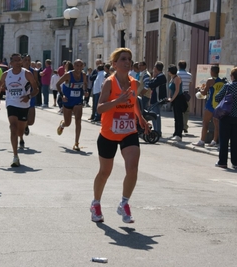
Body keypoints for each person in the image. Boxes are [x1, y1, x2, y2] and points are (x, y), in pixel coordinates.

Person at [90, 48, 150, 223]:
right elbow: (100, 108)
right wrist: (117, 101)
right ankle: (96, 204)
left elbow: (136, 102)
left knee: (132, 168)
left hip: (128, 132)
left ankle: (124, 203)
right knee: (104, 172)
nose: (127, 62)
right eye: (123, 59)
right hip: (109, 133)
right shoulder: (109, 83)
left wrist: (141, 118)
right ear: (114, 64)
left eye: (129, 59)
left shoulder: (134, 83)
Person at [0, 53, 38, 167]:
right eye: (15, 60)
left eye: (19, 60)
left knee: (20, 131)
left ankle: (24, 129)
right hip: (11, 103)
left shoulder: (27, 74)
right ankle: (15, 156)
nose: (18, 62)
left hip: (24, 105)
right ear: (11, 63)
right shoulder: (6, 75)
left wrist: (28, 97)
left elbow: (36, 89)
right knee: (13, 127)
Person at [214, 67, 237, 169]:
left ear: (232, 76)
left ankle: (222, 161)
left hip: (226, 116)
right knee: (236, 139)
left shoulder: (228, 86)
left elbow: (217, 97)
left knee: (224, 139)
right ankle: (236, 163)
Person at [56, 59, 87, 151]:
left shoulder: (84, 75)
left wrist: (85, 91)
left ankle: (76, 143)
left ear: (82, 66)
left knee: (78, 120)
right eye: (77, 65)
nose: (79, 68)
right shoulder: (68, 75)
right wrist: (62, 96)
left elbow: (84, 84)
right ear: (74, 66)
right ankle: (62, 125)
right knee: (68, 123)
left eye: (80, 65)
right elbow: (58, 84)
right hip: (68, 100)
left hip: (78, 100)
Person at [192, 65, 225, 147]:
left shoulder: (210, 80)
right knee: (216, 124)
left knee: (205, 123)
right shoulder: (221, 81)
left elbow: (204, 93)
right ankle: (214, 141)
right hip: (218, 104)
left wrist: (200, 90)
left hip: (210, 104)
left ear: (212, 72)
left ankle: (202, 141)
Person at [146, 61, 167, 136]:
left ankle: (157, 131)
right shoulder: (158, 77)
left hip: (157, 99)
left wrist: (153, 77)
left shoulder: (161, 77)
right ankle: (156, 130)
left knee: (156, 116)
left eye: (154, 67)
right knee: (154, 115)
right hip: (154, 98)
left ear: (157, 68)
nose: (153, 68)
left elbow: (151, 85)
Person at [21, 54, 40, 137]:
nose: (27, 62)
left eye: (29, 60)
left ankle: (26, 125)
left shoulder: (33, 71)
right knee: (21, 118)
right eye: (25, 60)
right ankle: (22, 132)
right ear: (22, 61)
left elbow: (36, 83)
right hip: (20, 97)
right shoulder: (18, 71)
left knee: (31, 121)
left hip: (31, 96)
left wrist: (35, 85)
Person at [167, 64, 187, 141]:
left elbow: (177, 90)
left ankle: (179, 134)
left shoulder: (177, 78)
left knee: (179, 117)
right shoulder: (172, 78)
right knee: (176, 117)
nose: (168, 72)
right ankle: (175, 133)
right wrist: (169, 97)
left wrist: (172, 99)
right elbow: (170, 90)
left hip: (178, 98)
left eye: (169, 70)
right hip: (174, 99)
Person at [177, 60, 192, 133]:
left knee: (179, 111)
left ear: (179, 66)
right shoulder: (189, 75)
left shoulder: (176, 74)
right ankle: (185, 126)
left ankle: (180, 126)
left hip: (178, 95)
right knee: (186, 111)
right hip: (186, 95)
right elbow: (190, 84)